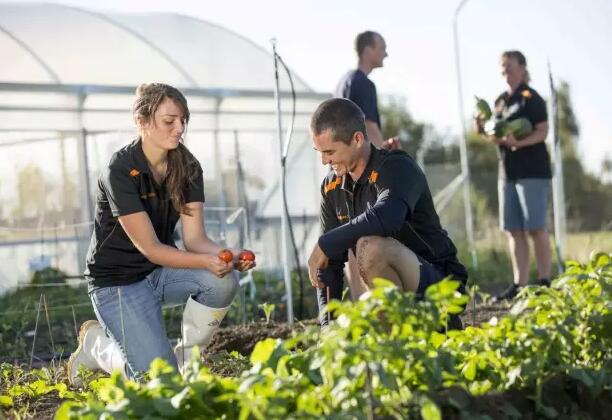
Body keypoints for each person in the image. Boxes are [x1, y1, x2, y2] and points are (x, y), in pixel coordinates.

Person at [67, 83, 255, 385]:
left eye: (183, 120)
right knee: (158, 380)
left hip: (159, 273)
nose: (180, 128)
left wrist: (227, 257)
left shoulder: (188, 166)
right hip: (117, 284)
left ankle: (186, 356)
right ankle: (97, 347)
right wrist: (206, 261)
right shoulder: (120, 170)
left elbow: (195, 240)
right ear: (142, 121)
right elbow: (151, 248)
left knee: (221, 281)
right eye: (170, 121)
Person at [307, 98, 467, 326]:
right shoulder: (331, 187)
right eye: (319, 152)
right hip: (395, 294)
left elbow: (387, 217)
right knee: (356, 320)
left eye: (329, 151)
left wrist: (326, 242)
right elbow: (329, 264)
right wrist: (328, 330)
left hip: (443, 286)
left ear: (357, 139)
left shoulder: (397, 167)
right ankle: (396, 347)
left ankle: (441, 327)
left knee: (370, 248)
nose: (324, 161)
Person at [476, 50, 552, 301]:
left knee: (535, 228)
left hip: (532, 171)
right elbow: (494, 135)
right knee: (513, 230)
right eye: (502, 66)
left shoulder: (532, 99)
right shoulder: (500, 101)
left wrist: (518, 143)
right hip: (507, 173)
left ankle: (544, 282)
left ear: (522, 67)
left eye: (509, 65)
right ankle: (520, 285)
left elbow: (542, 132)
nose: (505, 70)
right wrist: (482, 129)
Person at [335, 31, 399, 151]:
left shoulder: (343, 82)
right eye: (382, 48)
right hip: (358, 166)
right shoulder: (364, 84)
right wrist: (385, 157)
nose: (386, 54)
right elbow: (369, 127)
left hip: (342, 162)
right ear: (368, 50)